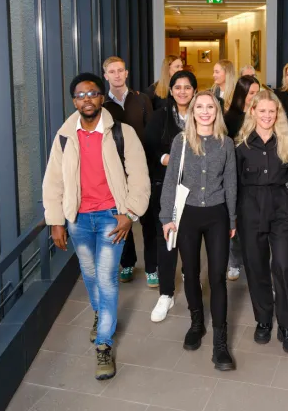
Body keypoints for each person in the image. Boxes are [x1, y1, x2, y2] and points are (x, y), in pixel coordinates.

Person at [43, 72, 150, 381]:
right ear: (73, 101)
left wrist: (129, 214)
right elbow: (53, 181)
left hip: (111, 217)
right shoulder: (65, 136)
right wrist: (56, 222)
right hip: (78, 219)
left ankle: (103, 344)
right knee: (89, 275)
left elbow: (140, 178)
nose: (86, 99)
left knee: (106, 277)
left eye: (92, 93)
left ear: (102, 97)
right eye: (80, 95)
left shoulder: (122, 133)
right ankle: (101, 313)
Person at [160, 91, 237, 371]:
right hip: (188, 215)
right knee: (190, 273)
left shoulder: (226, 143)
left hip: (217, 214)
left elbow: (231, 184)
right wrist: (166, 216)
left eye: (210, 107)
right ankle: (196, 323)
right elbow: (171, 182)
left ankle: (220, 340)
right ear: (192, 112)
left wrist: (232, 219)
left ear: (217, 112)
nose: (205, 112)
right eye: (200, 107)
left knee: (217, 277)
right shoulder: (181, 142)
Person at [235, 90, 288, 355]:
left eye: (271, 111)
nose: (267, 116)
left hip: (280, 208)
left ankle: (287, 326)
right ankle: (263, 319)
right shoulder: (240, 145)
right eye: (262, 111)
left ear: (278, 114)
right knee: (255, 267)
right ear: (252, 112)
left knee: (284, 265)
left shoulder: (287, 141)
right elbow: (235, 183)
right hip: (250, 210)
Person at [144, 70, 197, 322]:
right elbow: (150, 148)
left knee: (191, 236)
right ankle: (166, 293)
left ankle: (190, 278)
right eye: (178, 87)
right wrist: (168, 160)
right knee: (166, 238)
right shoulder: (159, 116)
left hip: (197, 189)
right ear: (171, 90)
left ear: (194, 90)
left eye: (187, 87)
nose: (183, 91)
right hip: (166, 185)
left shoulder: (203, 114)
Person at [102, 56, 155, 286]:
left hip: (144, 168)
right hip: (117, 172)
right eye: (111, 71)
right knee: (123, 218)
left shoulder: (142, 100)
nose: (116, 74)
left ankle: (152, 267)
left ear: (126, 73)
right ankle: (128, 262)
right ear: (106, 76)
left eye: (120, 70)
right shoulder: (103, 106)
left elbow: (152, 134)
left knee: (149, 219)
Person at [222, 74, 260, 281]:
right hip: (235, 175)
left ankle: (252, 260)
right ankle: (234, 262)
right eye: (250, 93)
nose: (254, 97)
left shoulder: (260, 114)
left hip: (256, 175)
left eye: (257, 92)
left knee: (254, 221)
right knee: (233, 219)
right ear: (242, 94)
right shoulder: (231, 117)